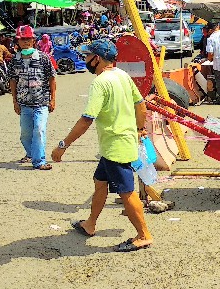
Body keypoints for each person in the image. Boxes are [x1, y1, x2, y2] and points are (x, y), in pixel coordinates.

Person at [52, 39, 153, 252]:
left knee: (127, 192)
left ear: (97, 58)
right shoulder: (122, 75)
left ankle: (144, 235)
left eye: (87, 56)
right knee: (100, 181)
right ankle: (90, 224)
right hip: (114, 145)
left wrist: (63, 145)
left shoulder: (100, 82)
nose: (85, 60)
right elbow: (141, 105)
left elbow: (87, 119)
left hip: (116, 147)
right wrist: (139, 128)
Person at [8, 25, 56, 170]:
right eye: (22, 39)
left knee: (39, 130)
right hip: (24, 104)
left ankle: (39, 161)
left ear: (34, 40)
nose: (25, 42)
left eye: (28, 39)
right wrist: (15, 102)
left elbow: (52, 78)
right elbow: (13, 81)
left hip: (41, 102)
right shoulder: (14, 60)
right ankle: (31, 153)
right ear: (18, 42)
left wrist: (53, 99)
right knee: (25, 134)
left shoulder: (43, 58)